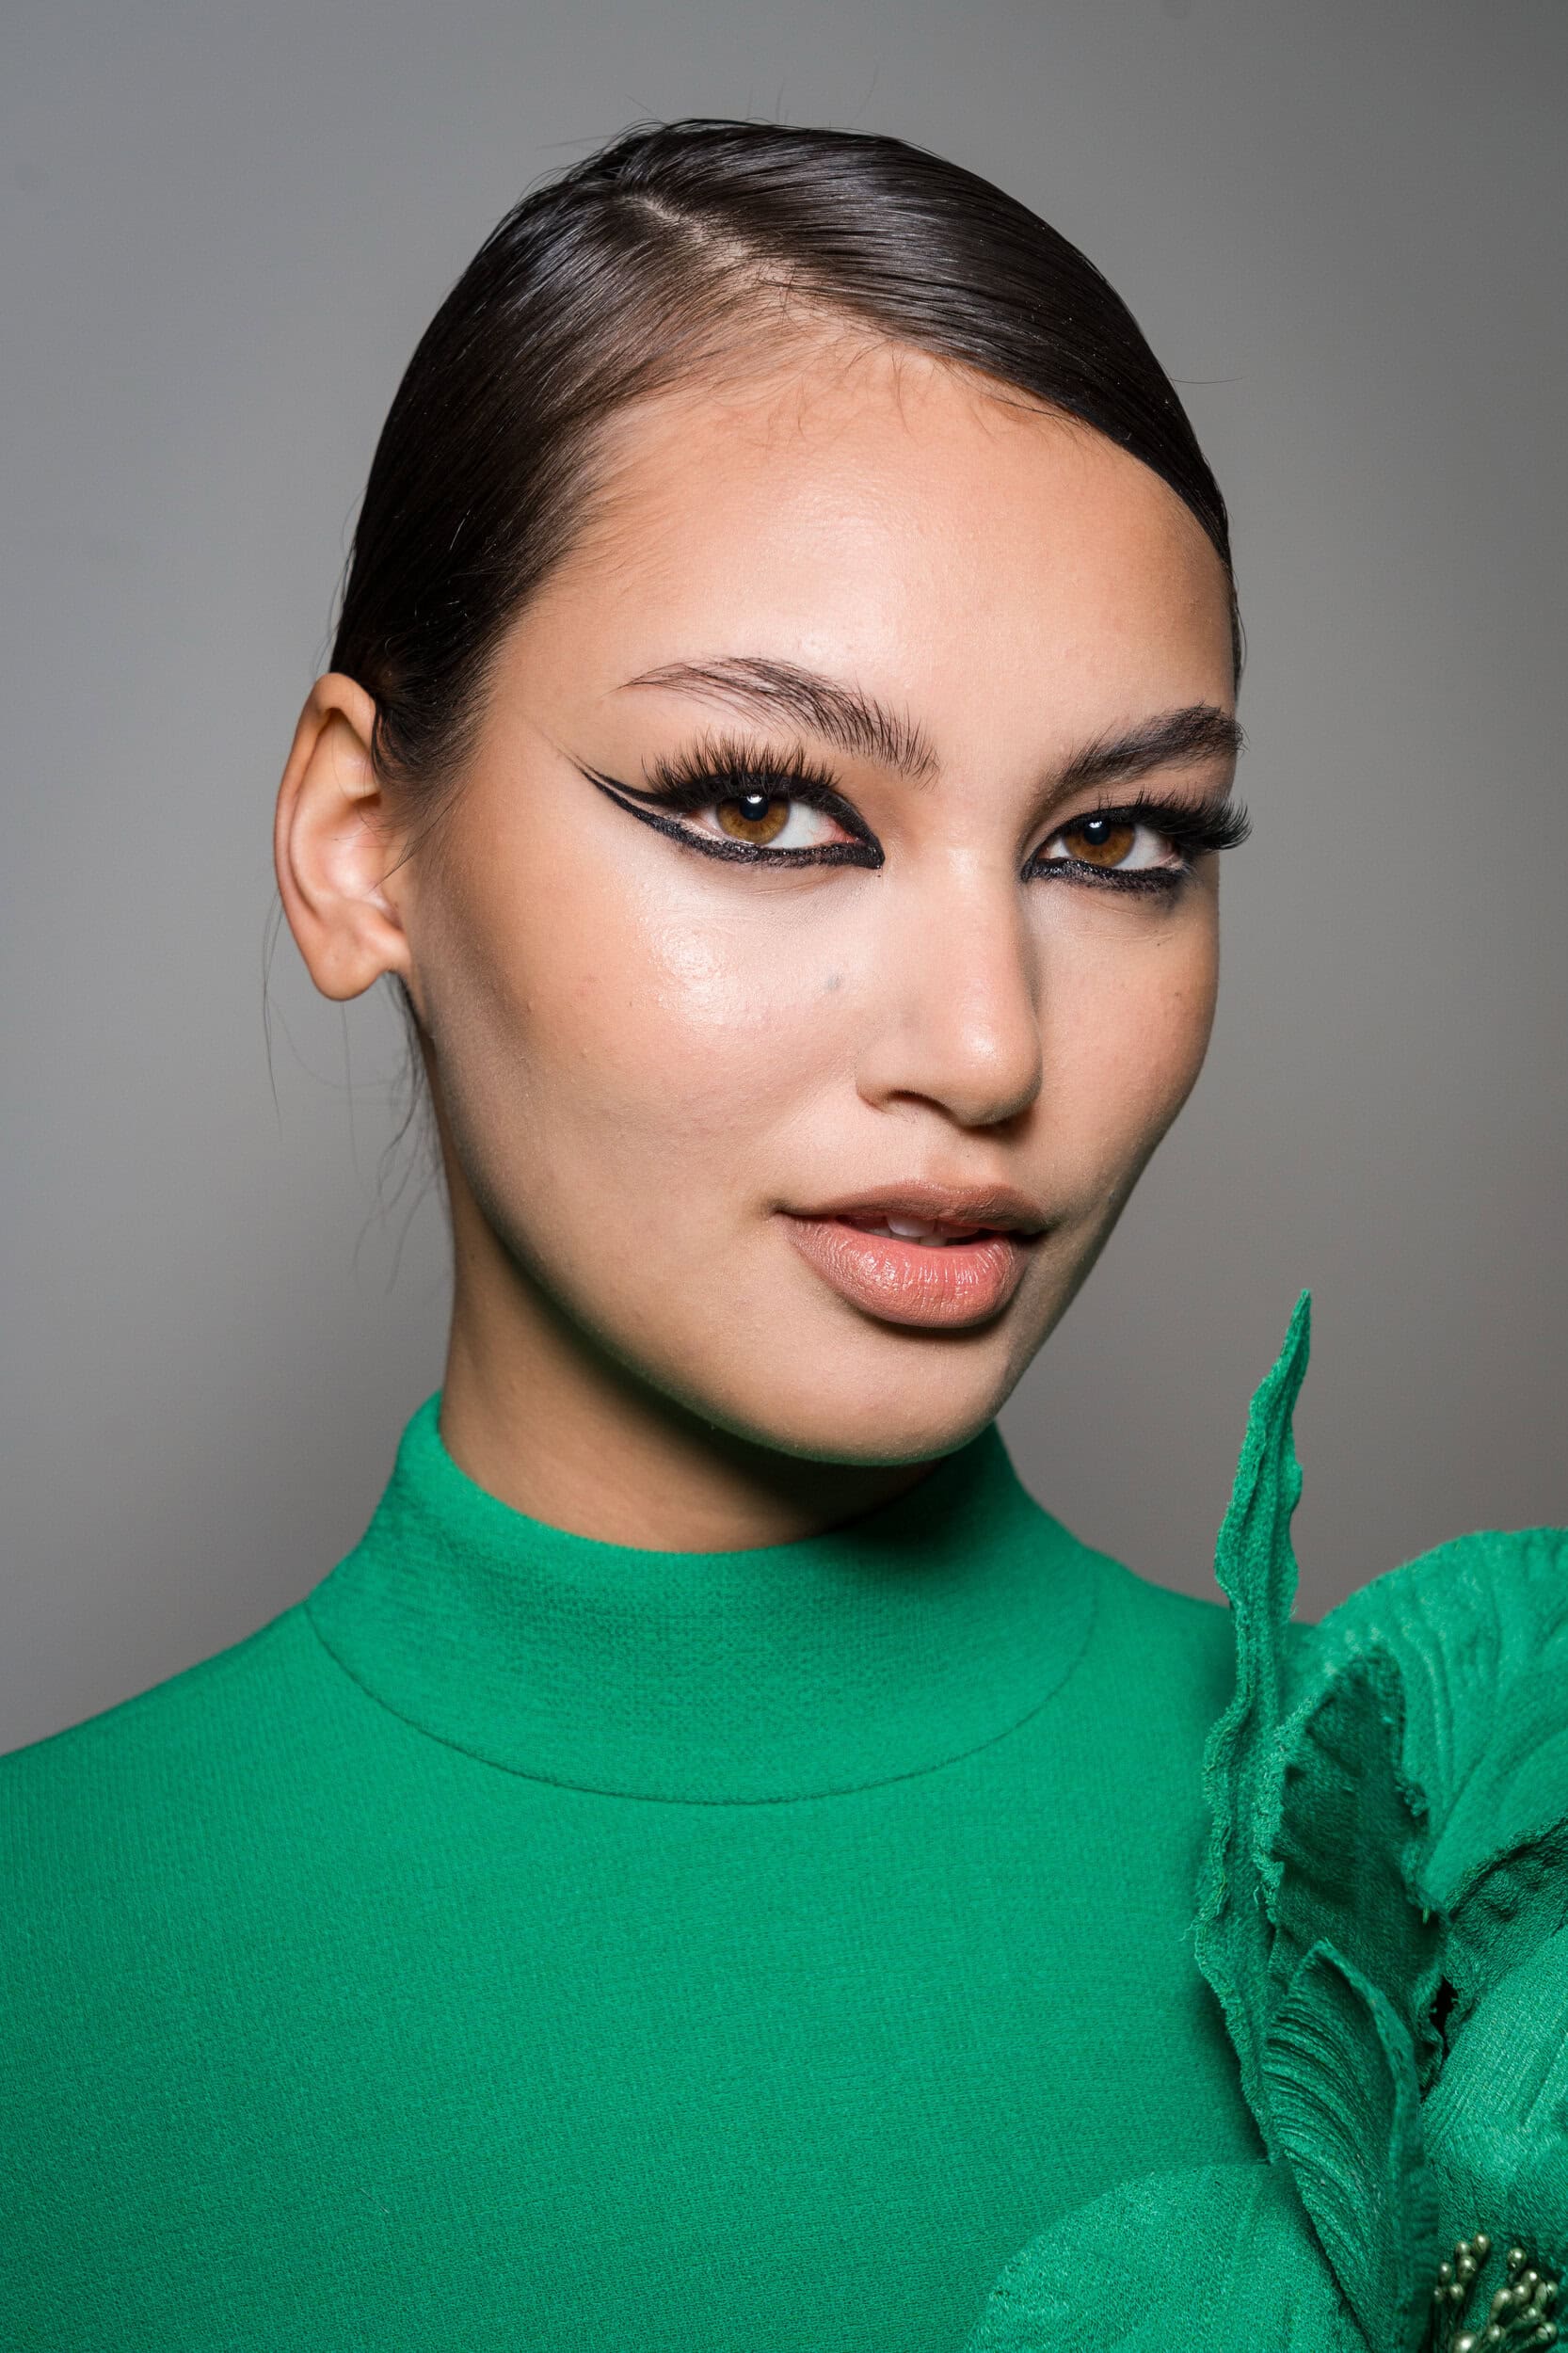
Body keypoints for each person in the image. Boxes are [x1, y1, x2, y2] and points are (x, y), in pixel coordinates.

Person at [2, 117, 1562, 2353]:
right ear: (359, 840)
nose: (986, 1043)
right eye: (760, 804)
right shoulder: (47, 1977)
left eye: (1117, 840)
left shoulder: (1469, 1896)